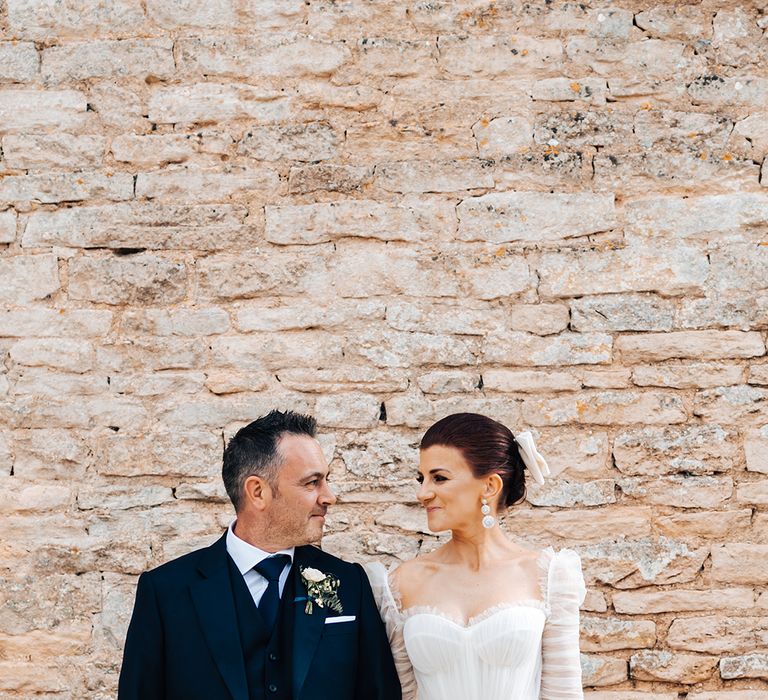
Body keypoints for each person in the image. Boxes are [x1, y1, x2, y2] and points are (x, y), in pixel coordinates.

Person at [119, 409, 401, 700]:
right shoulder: (166, 592)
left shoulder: (349, 582)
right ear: (257, 492)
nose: (329, 496)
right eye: (312, 482)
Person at [366, 412, 586, 700]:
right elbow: (404, 694)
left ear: (490, 486)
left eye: (439, 478)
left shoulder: (548, 576)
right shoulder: (399, 583)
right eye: (422, 478)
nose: (423, 493)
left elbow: (564, 693)